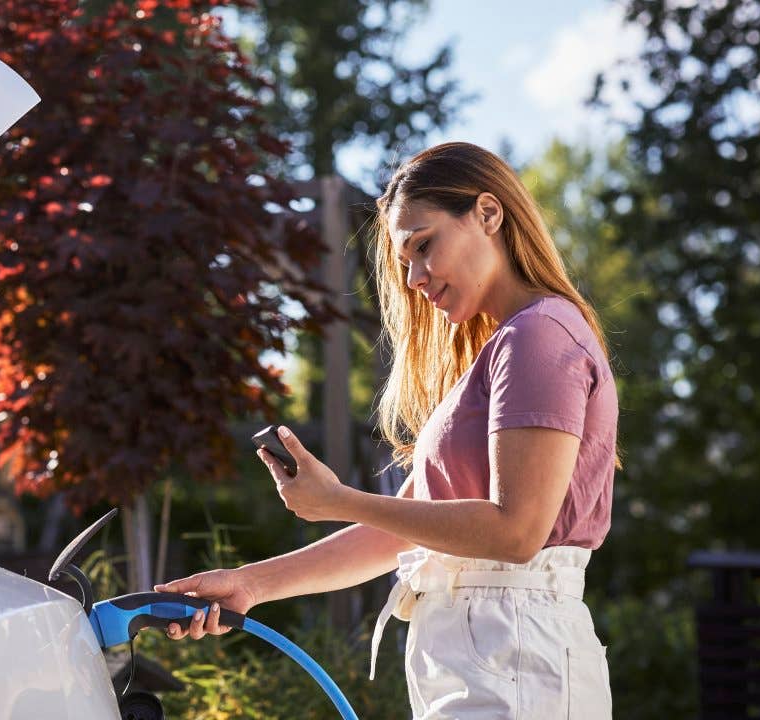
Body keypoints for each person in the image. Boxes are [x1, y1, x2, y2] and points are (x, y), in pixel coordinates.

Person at [156, 142, 617, 718]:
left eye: (425, 246)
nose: (417, 278)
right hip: (491, 655)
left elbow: (516, 532)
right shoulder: (502, 349)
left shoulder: (539, 337)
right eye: (405, 263)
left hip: (515, 656)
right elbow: (399, 534)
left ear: (489, 214)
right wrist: (252, 585)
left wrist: (341, 500)